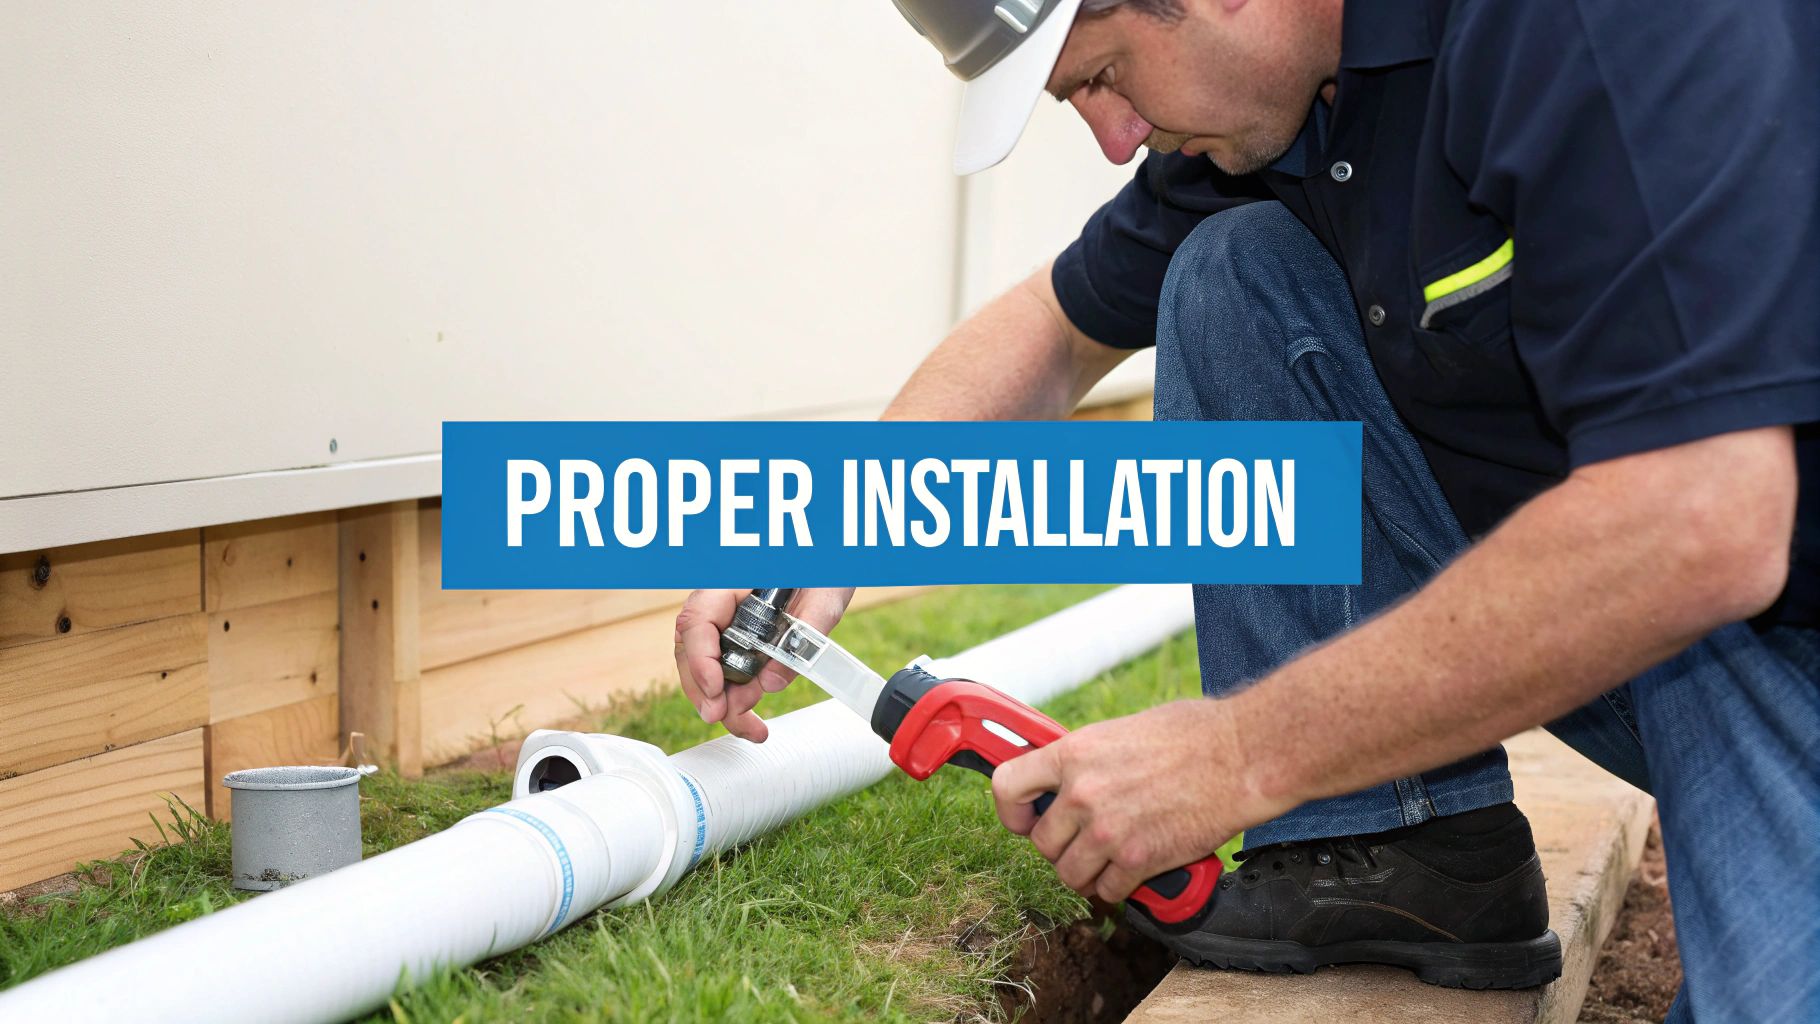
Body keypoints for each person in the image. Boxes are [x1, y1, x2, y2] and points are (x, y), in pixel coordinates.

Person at [674, 0, 1818, 1017]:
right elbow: (1053, 325)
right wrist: (819, 531)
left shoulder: (1587, 30)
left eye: (1101, 77)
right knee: (1233, 271)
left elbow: (1700, 521)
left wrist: (1235, 752)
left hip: (1751, 608)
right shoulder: (1291, 117)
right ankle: (1395, 844)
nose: (1115, 137)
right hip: (1689, 635)